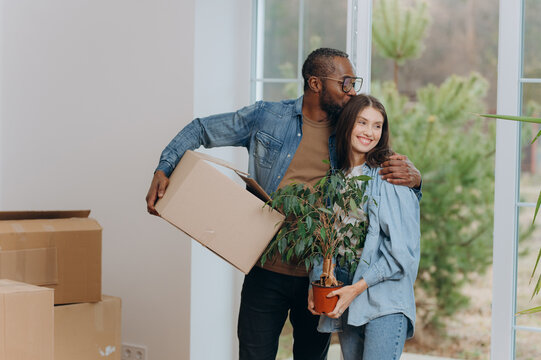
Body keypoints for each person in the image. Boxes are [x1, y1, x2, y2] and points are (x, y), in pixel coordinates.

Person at [145, 48, 421, 360]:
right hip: (265, 268)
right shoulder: (267, 118)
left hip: (320, 277)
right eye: (344, 83)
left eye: (353, 83)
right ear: (315, 84)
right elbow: (200, 129)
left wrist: (416, 180)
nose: (351, 91)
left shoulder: (349, 128)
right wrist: (163, 168)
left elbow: (381, 184)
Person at [307, 94, 421, 360]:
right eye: (362, 122)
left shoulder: (390, 175)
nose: (370, 132)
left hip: (385, 297)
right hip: (347, 292)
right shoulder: (334, 177)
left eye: (377, 125)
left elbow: (401, 252)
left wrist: (356, 288)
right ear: (348, 124)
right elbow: (325, 237)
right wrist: (314, 284)